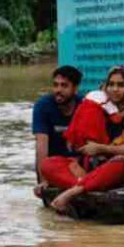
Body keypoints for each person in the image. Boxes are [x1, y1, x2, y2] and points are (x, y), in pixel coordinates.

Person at [41, 65, 124, 213]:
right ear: (105, 86)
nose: (115, 89)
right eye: (111, 84)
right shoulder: (97, 108)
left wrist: (102, 148)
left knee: (121, 162)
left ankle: (74, 191)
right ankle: (87, 183)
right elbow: (77, 143)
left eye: (120, 85)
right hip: (91, 170)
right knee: (48, 164)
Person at [32, 66, 83, 196]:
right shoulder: (43, 106)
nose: (58, 90)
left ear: (75, 88)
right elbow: (41, 144)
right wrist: (43, 180)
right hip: (52, 166)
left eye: (64, 86)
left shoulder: (84, 105)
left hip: (77, 165)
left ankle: (81, 186)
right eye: (55, 85)